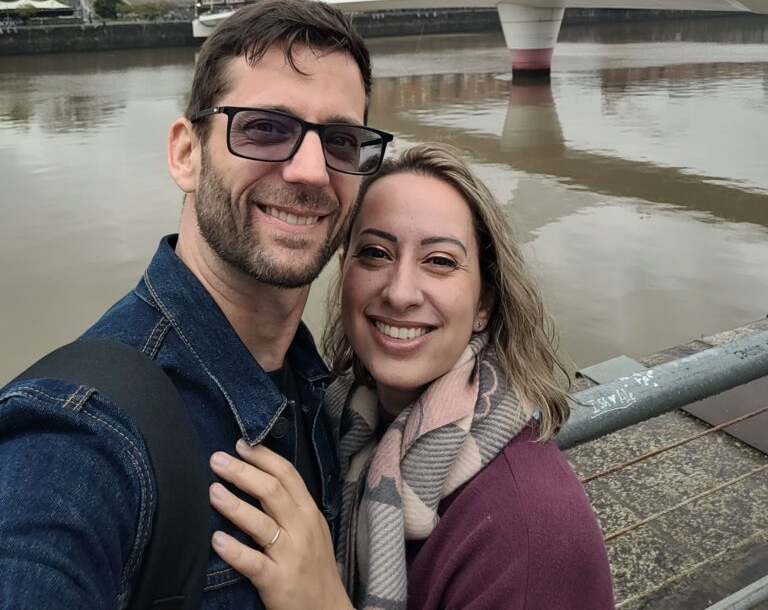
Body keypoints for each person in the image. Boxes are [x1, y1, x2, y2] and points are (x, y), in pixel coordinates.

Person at [0, 0, 392, 609]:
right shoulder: (79, 438)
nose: (312, 171)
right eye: (265, 128)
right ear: (186, 153)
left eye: (341, 140)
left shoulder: (320, 388)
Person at [208, 143, 615, 610]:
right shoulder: (339, 430)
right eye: (376, 253)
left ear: (485, 301)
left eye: (440, 261)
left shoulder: (528, 532)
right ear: (344, 273)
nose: (400, 293)